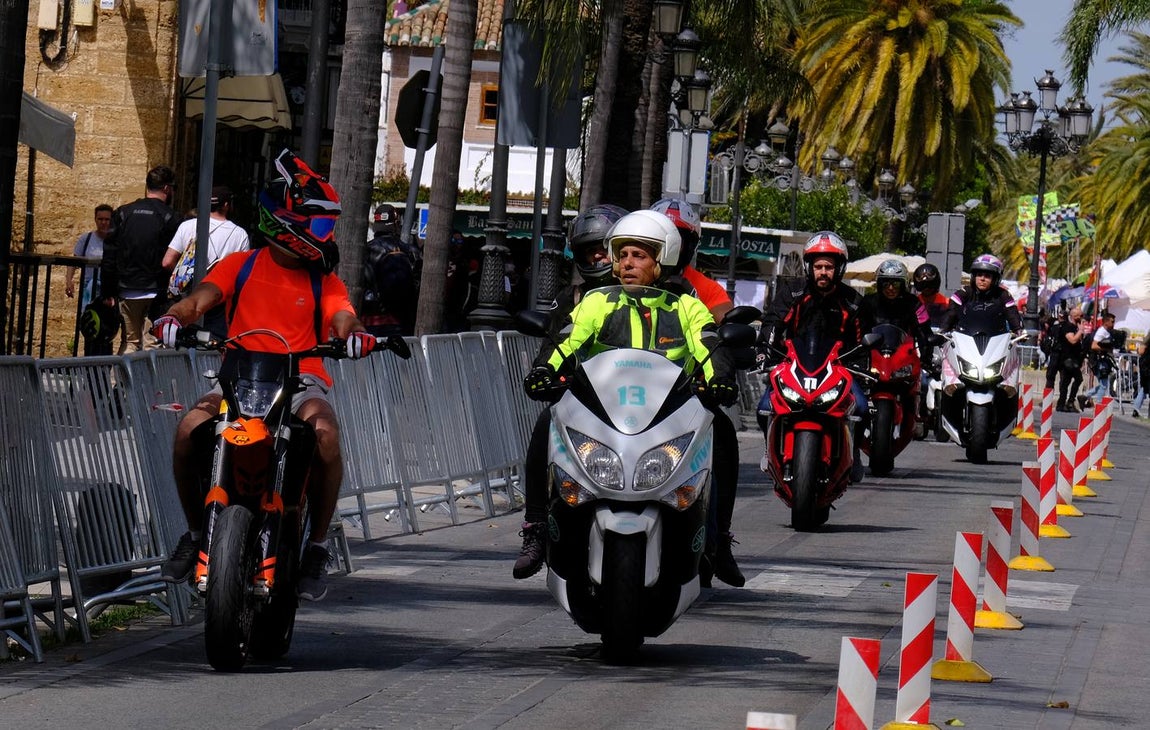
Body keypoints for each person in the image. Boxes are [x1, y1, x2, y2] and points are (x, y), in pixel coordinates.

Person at [151, 150, 376, 602]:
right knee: (188, 428)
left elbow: (343, 318)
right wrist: (173, 318)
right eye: (313, 222)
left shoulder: (324, 281)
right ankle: (196, 532)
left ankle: (315, 546)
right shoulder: (243, 264)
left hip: (299, 382)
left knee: (326, 433)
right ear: (284, 220)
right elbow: (200, 299)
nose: (321, 233)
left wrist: (356, 335)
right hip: (237, 377)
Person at [514, 210, 738, 580]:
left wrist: (720, 379)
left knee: (724, 432)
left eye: (639, 255)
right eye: (622, 255)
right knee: (545, 421)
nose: (627, 263)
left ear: (662, 259)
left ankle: (719, 539)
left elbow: (708, 344)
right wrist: (544, 370)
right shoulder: (598, 303)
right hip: (603, 409)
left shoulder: (686, 306)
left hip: (668, 411)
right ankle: (536, 528)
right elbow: (569, 337)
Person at [511, 205, 631, 582]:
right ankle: (535, 529)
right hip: (584, 402)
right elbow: (554, 340)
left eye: (602, 248)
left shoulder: (648, 296)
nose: (596, 257)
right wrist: (543, 371)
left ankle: (708, 538)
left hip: (641, 403)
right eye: (588, 250)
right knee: (543, 429)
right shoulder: (572, 298)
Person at [648, 197, 743, 587]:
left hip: (686, 397)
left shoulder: (702, 290)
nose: (670, 243)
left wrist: (728, 359)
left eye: (679, 237)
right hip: (620, 395)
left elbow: (725, 328)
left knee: (724, 438)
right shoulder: (619, 282)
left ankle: (719, 538)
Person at [756, 231, 871, 483]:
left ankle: (854, 455)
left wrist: (863, 366)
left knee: (861, 408)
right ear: (809, 267)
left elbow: (865, 340)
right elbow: (773, 322)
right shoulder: (794, 293)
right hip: (793, 366)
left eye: (829, 267)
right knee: (764, 407)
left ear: (839, 269)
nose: (823, 272)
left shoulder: (853, 302)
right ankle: (769, 451)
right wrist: (765, 350)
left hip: (839, 368)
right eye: (818, 266)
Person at [99, 165, 182, 354]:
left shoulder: (122, 213)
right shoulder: (171, 218)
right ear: (167, 189)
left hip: (127, 288)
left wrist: (107, 292)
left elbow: (109, 254)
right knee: (152, 342)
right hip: (157, 290)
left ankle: (119, 382)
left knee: (129, 341)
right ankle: (149, 384)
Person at [162, 186, 251, 339]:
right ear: (226, 205)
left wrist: (185, 280)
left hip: (185, 297)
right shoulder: (239, 234)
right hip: (217, 301)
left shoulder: (187, 226)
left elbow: (167, 261)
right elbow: (242, 275)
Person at [361, 203, 420, 336]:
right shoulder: (411, 251)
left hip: (369, 321)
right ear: (395, 224)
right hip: (400, 322)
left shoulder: (365, 250)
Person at [67, 204, 117, 355]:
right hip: (89, 289)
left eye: (107, 219)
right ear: (95, 220)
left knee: (107, 329)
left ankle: (103, 368)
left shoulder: (115, 241)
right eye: (100, 219)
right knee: (90, 327)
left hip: (107, 291)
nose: (103, 222)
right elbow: (74, 262)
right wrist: (69, 280)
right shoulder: (86, 239)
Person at [940, 254, 1024, 335]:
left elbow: (1012, 314)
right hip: (964, 340)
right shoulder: (963, 292)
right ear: (974, 277)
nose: (982, 279)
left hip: (996, 341)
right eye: (979, 275)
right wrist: (943, 330)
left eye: (987, 276)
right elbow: (951, 312)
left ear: (995, 279)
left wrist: (1019, 331)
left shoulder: (1003, 295)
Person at [1054, 306, 1088, 412]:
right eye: (1080, 316)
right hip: (1066, 359)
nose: (1082, 318)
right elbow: (1072, 340)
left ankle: (1067, 402)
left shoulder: (1075, 327)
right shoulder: (1067, 326)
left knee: (1070, 381)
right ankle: (1065, 403)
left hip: (1074, 358)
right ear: (1074, 316)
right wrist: (1080, 331)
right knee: (1069, 381)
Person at [1083, 311, 1118, 406]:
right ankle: (1099, 406)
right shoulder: (1101, 332)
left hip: (1102, 360)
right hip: (1099, 361)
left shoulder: (1106, 332)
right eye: (1112, 321)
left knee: (1103, 385)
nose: (1113, 323)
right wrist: (1106, 348)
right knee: (1103, 385)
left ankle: (1085, 396)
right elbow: (1094, 346)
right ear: (1106, 322)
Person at [912, 263, 951, 328]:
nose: (927, 288)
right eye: (923, 285)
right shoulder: (914, 304)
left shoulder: (948, 303)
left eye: (930, 285)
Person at [1130, 340, 1149, 418]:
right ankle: (1136, 408)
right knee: (1144, 388)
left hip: (1145, 366)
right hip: (1147, 367)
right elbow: (1141, 350)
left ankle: (1136, 408)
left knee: (1144, 389)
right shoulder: (1147, 340)